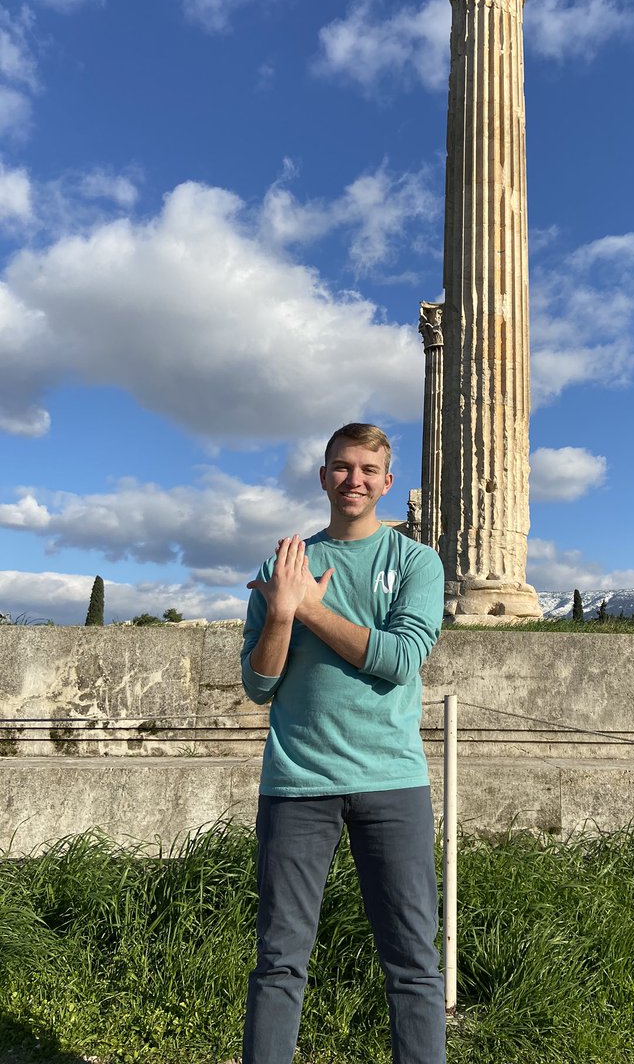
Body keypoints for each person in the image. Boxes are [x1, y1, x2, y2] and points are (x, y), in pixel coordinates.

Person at [240, 422, 446, 1064]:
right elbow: (257, 683)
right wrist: (279, 611)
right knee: (279, 960)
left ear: (388, 482)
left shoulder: (415, 561)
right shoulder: (286, 567)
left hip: (392, 782)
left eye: (366, 470)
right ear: (323, 474)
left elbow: (401, 658)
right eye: (340, 467)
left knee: (413, 961)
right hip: (297, 784)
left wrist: (307, 609)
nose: (353, 480)